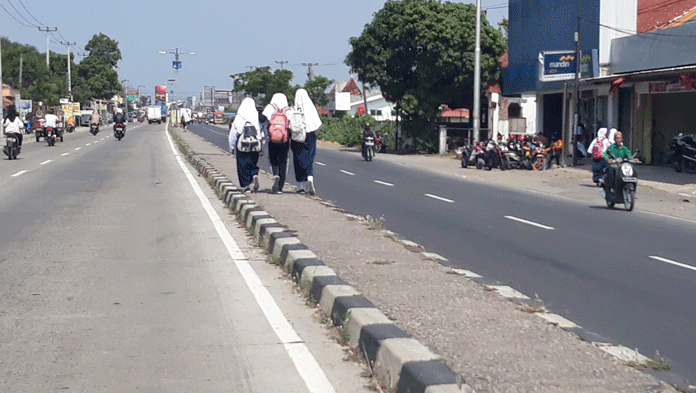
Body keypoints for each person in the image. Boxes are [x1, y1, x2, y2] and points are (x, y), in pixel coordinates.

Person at [229, 97, 265, 193]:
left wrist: (232, 147)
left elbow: (234, 133)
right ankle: (254, 174)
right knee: (252, 162)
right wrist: (261, 146)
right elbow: (261, 133)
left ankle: (246, 185)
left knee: (242, 165)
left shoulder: (239, 117)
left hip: (242, 145)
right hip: (255, 144)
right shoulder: (256, 116)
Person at [291, 88, 322, 195]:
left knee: (298, 159)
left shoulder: (294, 110)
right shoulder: (311, 108)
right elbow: (318, 124)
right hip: (311, 135)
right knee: (310, 157)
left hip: (298, 137)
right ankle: (310, 178)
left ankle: (300, 186)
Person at [262, 93, 293, 193]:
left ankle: (275, 174)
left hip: (272, 138)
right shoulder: (289, 110)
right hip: (284, 139)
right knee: (283, 161)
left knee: (273, 159)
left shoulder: (270, 107)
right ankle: (280, 186)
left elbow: (263, 119)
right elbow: (292, 124)